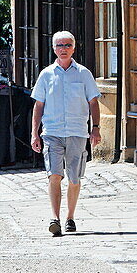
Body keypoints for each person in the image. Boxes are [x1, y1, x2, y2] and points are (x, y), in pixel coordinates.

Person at [31, 30, 102, 236]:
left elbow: (93, 102)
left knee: (74, 178)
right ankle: (55, 218)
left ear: (74, 48)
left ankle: (70, 216)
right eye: (60, 46)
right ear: (54, 48)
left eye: (67, 45)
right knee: (54, 175)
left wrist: (95, 128)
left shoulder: (83, 74)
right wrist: (35, 133)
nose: (63, 49)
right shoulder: (46, 75)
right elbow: (39, 105)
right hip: (52, 131)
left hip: (77, 132)